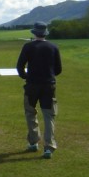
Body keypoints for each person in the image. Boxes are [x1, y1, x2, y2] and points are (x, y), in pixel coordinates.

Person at [16, 22, 62, 159]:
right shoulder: (53, 47)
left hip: (32, 86)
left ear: (34, 33)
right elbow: (58, 69)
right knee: (49, 115)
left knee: (30, 113)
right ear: (45, 33)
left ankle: (33, 142)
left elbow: (20, 66)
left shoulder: (28, 47)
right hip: (48, 86)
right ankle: (49, 147)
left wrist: (26, 76)